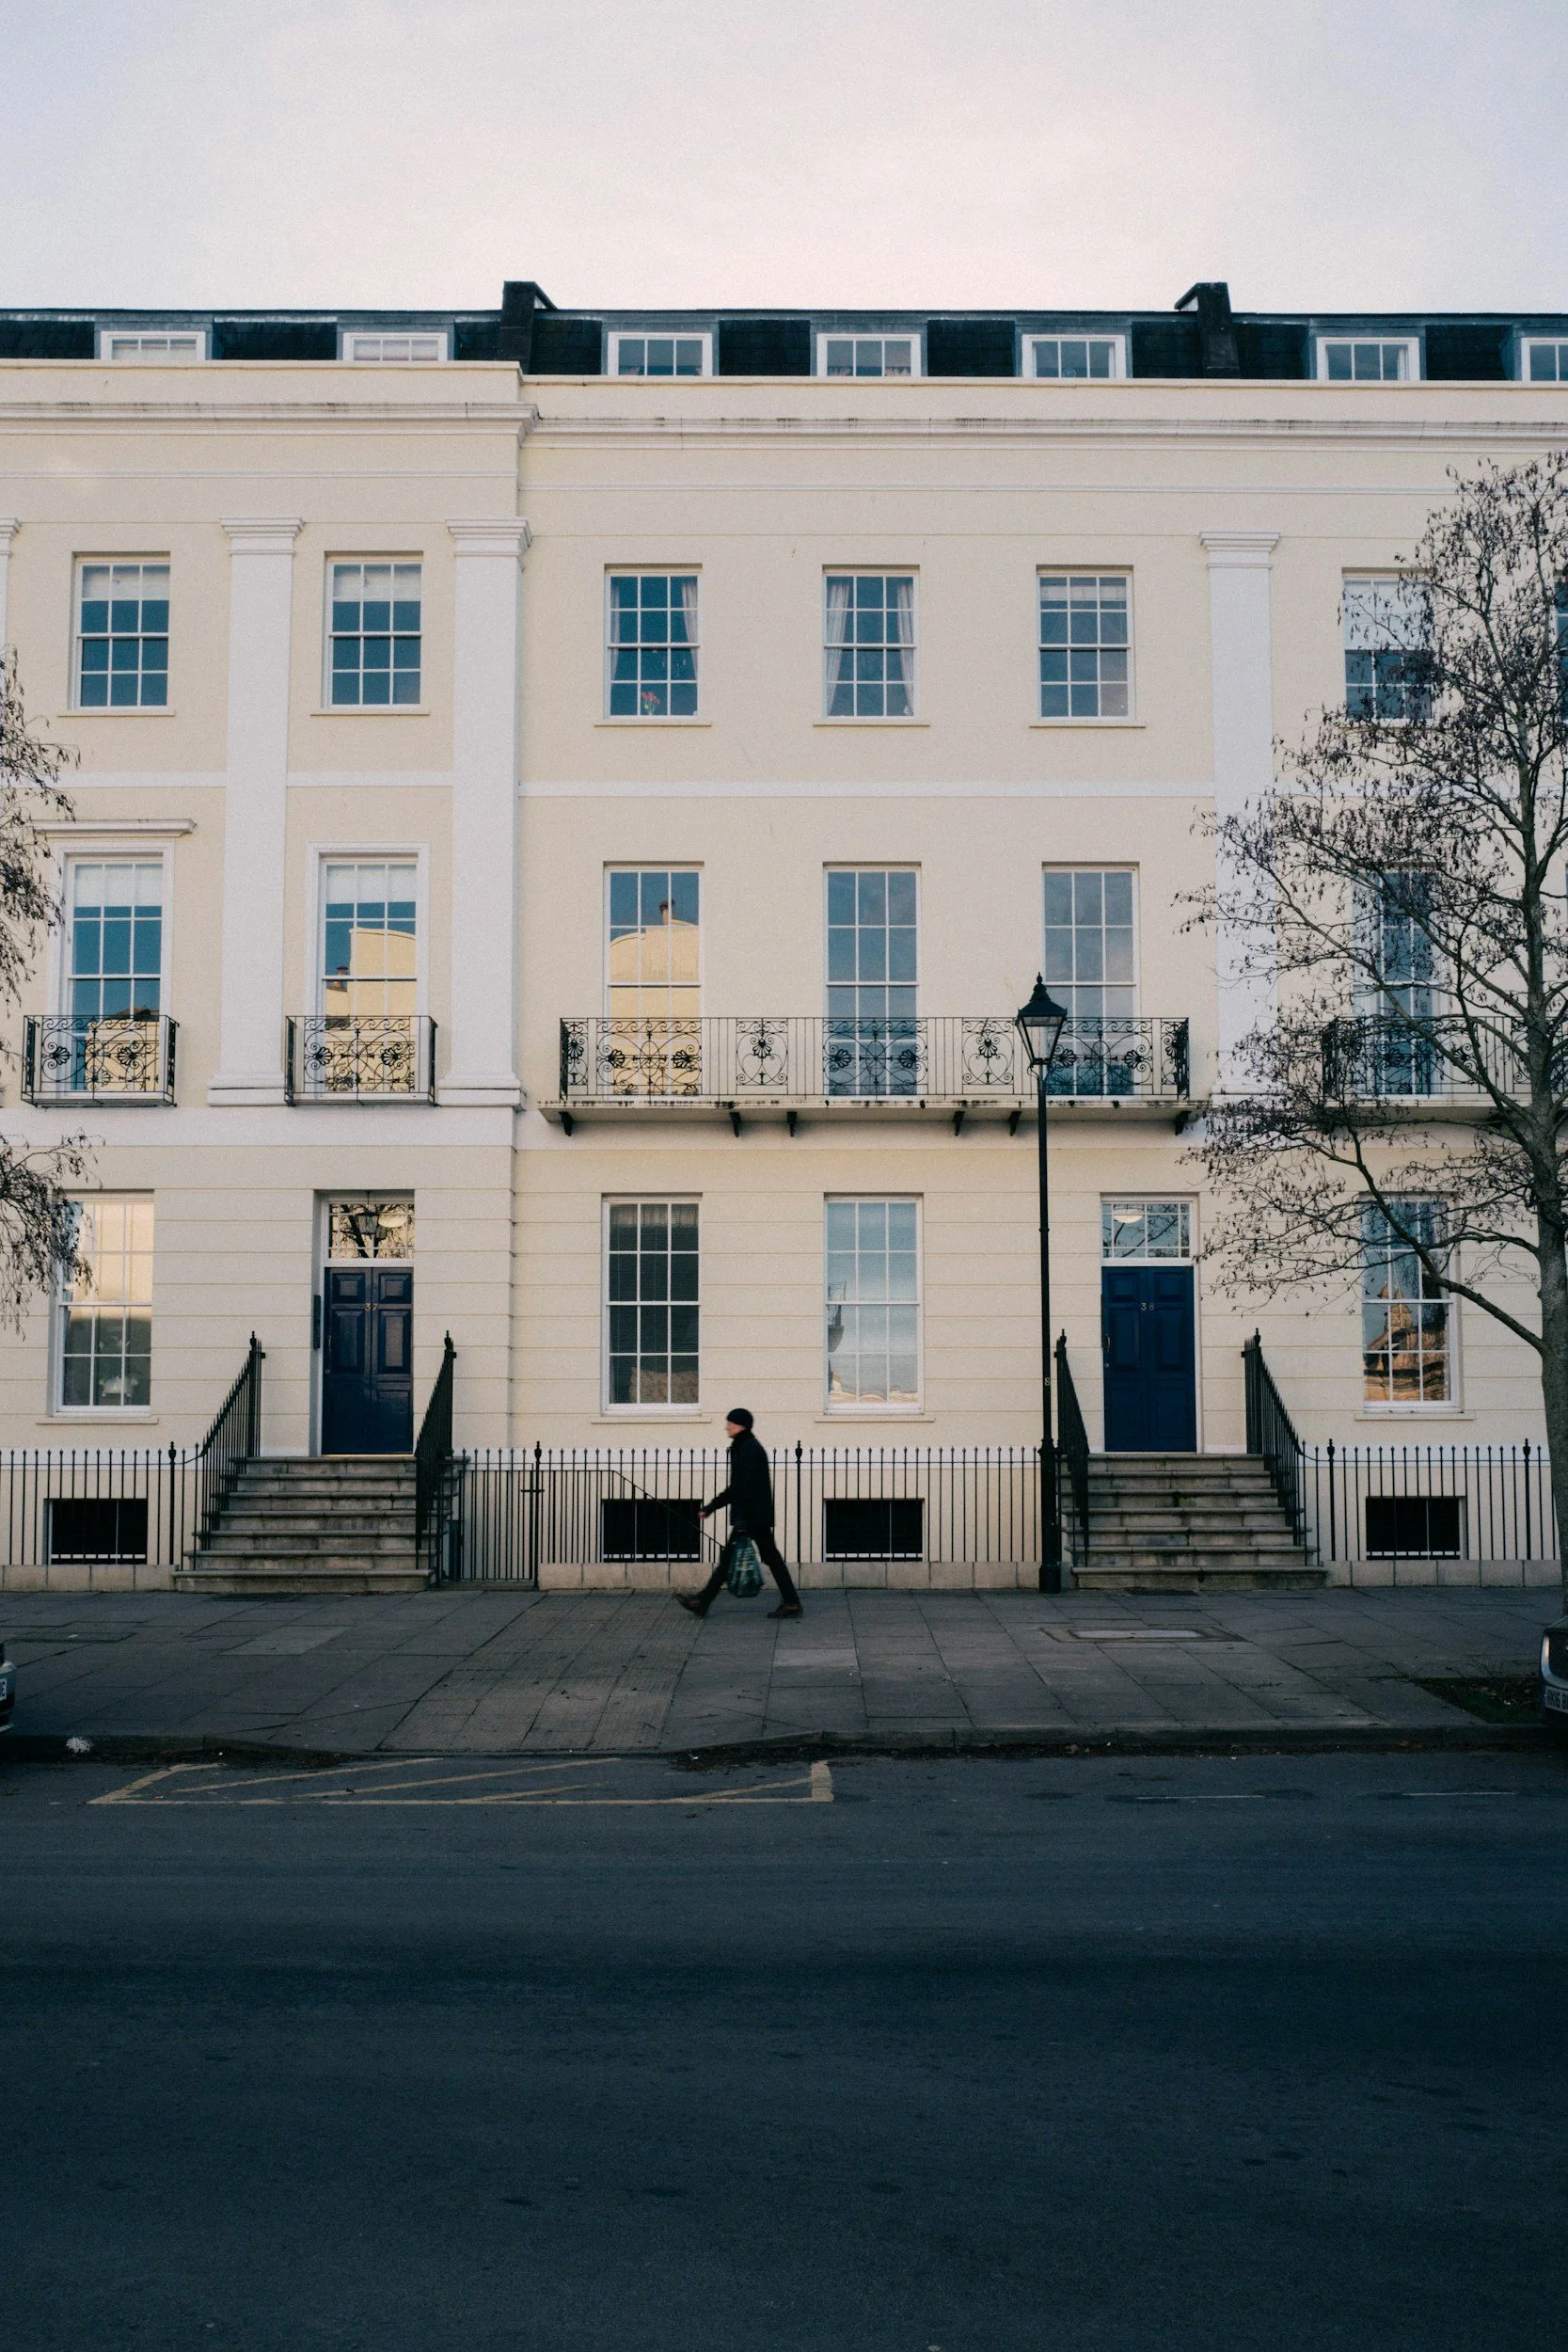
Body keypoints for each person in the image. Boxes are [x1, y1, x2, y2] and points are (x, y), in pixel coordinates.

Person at [677, 1408, 803, 1618]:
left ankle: (703, 1601)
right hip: (754, 1515)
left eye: (731, 1423)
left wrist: (712, 1508)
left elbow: (741, 1488)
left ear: (741, 1426)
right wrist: (712, 1507)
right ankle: (791, 1602)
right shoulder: (744, 1447)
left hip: (750, 1517)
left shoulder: (748, 1450)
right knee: (767, 1558)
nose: (727, 1427)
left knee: (732, 1559)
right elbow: (739, 1487)